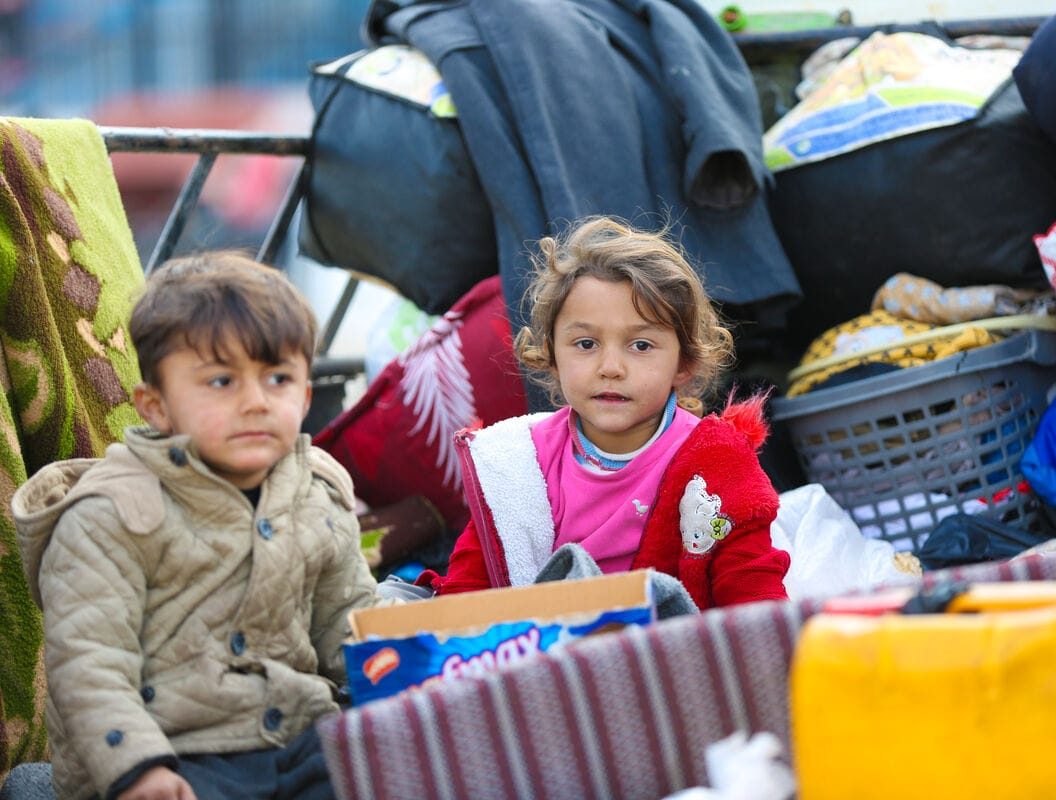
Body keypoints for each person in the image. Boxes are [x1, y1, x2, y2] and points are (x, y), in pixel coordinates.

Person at [12, 252, 380, 800]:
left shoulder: (316, 493)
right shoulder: (110, 514)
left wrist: (408, 676)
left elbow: (348, 620)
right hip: (173, 752)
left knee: (395, 770)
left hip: (295, 736)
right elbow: (89, 662)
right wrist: (137, 767)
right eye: (221, 382)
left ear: (305, 396)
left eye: (278, 378)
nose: (255, 402)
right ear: (156, 407)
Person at [421, 216, 790, 608]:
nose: (610, 366)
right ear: (551, 354)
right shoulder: (516, 466)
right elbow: (464, 600)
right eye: (585, 343)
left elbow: (755, 599)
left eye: (641, 345)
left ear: (684, 363)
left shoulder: (716, 461)